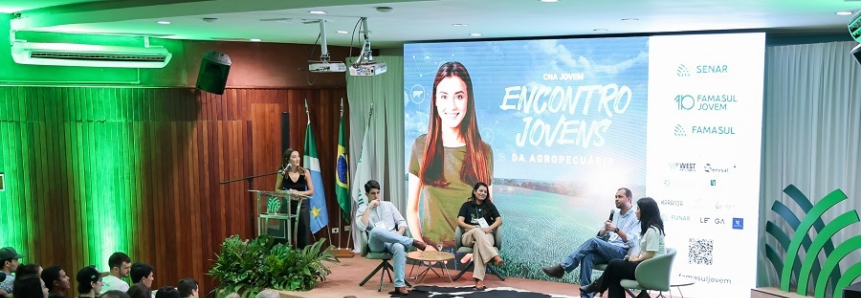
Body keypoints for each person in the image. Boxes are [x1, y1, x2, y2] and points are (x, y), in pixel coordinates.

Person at [407, 61, 494, 251]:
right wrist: (423, 247)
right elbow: (412, 210)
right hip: (433, 255)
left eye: (459, 96)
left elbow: (489, 212)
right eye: (444, 96)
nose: (452, 105)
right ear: (435, 99)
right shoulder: (420, 146)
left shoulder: (483, 151)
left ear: (468, 99)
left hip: (469, 254)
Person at [542, 187, 641, 298]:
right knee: (587, 257)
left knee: (593, 241)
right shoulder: (616, 214)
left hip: (621, 252)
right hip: (610, 248)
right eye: (616, 196)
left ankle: (562, 268)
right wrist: (605, 230)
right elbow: (604, 235)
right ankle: (586, 296)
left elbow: (632, 241)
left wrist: (616, 229)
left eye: (620, 197)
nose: (616, 199)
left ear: (629, 199)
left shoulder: (636, 216)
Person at [580, 197, 666, 298]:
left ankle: (598, 286)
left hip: (648, 270)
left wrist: (636, 259)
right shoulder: (647, 229)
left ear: (645, 211)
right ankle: (597, 286)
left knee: (614, 263)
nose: (636, 212)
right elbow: (644, 250)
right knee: (614, 276)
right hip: (644, 266)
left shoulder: (653, 230)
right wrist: (635, 256)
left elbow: (650, 254)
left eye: (638, 209)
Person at [355, 180, 428, 295]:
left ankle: (399, 286)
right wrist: (368, 208)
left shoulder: (388, 205)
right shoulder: (362, 209)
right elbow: (361, 226)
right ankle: (411, 242)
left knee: (399, 247)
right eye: (373, 193)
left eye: (378, 193)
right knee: (375, 230)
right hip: (376, 243)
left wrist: (400, 231)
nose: (376, 196)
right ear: (366, 194)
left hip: (392, 239)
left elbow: (402, 222)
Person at [456, 182, 504, 289]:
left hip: (487, 235)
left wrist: (489, 229)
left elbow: (499, 220)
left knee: (479, 244)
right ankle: (494, 256)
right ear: (474, 191)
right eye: (481, 191)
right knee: (478, 231)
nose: (483, 193)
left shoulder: (489, 206)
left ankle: (479, 280)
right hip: (469, 235)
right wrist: (472, 228)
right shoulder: (466, 205)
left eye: (485, 192)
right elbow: (459, 221)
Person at [274, 148, 315, 249]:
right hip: (287, 205)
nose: (298, 159)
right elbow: (277, 190)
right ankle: (288, 254)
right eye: (294, 157)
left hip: (302, 205)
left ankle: (304, 254)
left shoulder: (305, 172)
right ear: (288, 160)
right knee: (288, 230)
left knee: (303, 230)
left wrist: (298, 193)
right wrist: (288, 192)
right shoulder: (282, 173)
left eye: (298, 156)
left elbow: (311, 191)